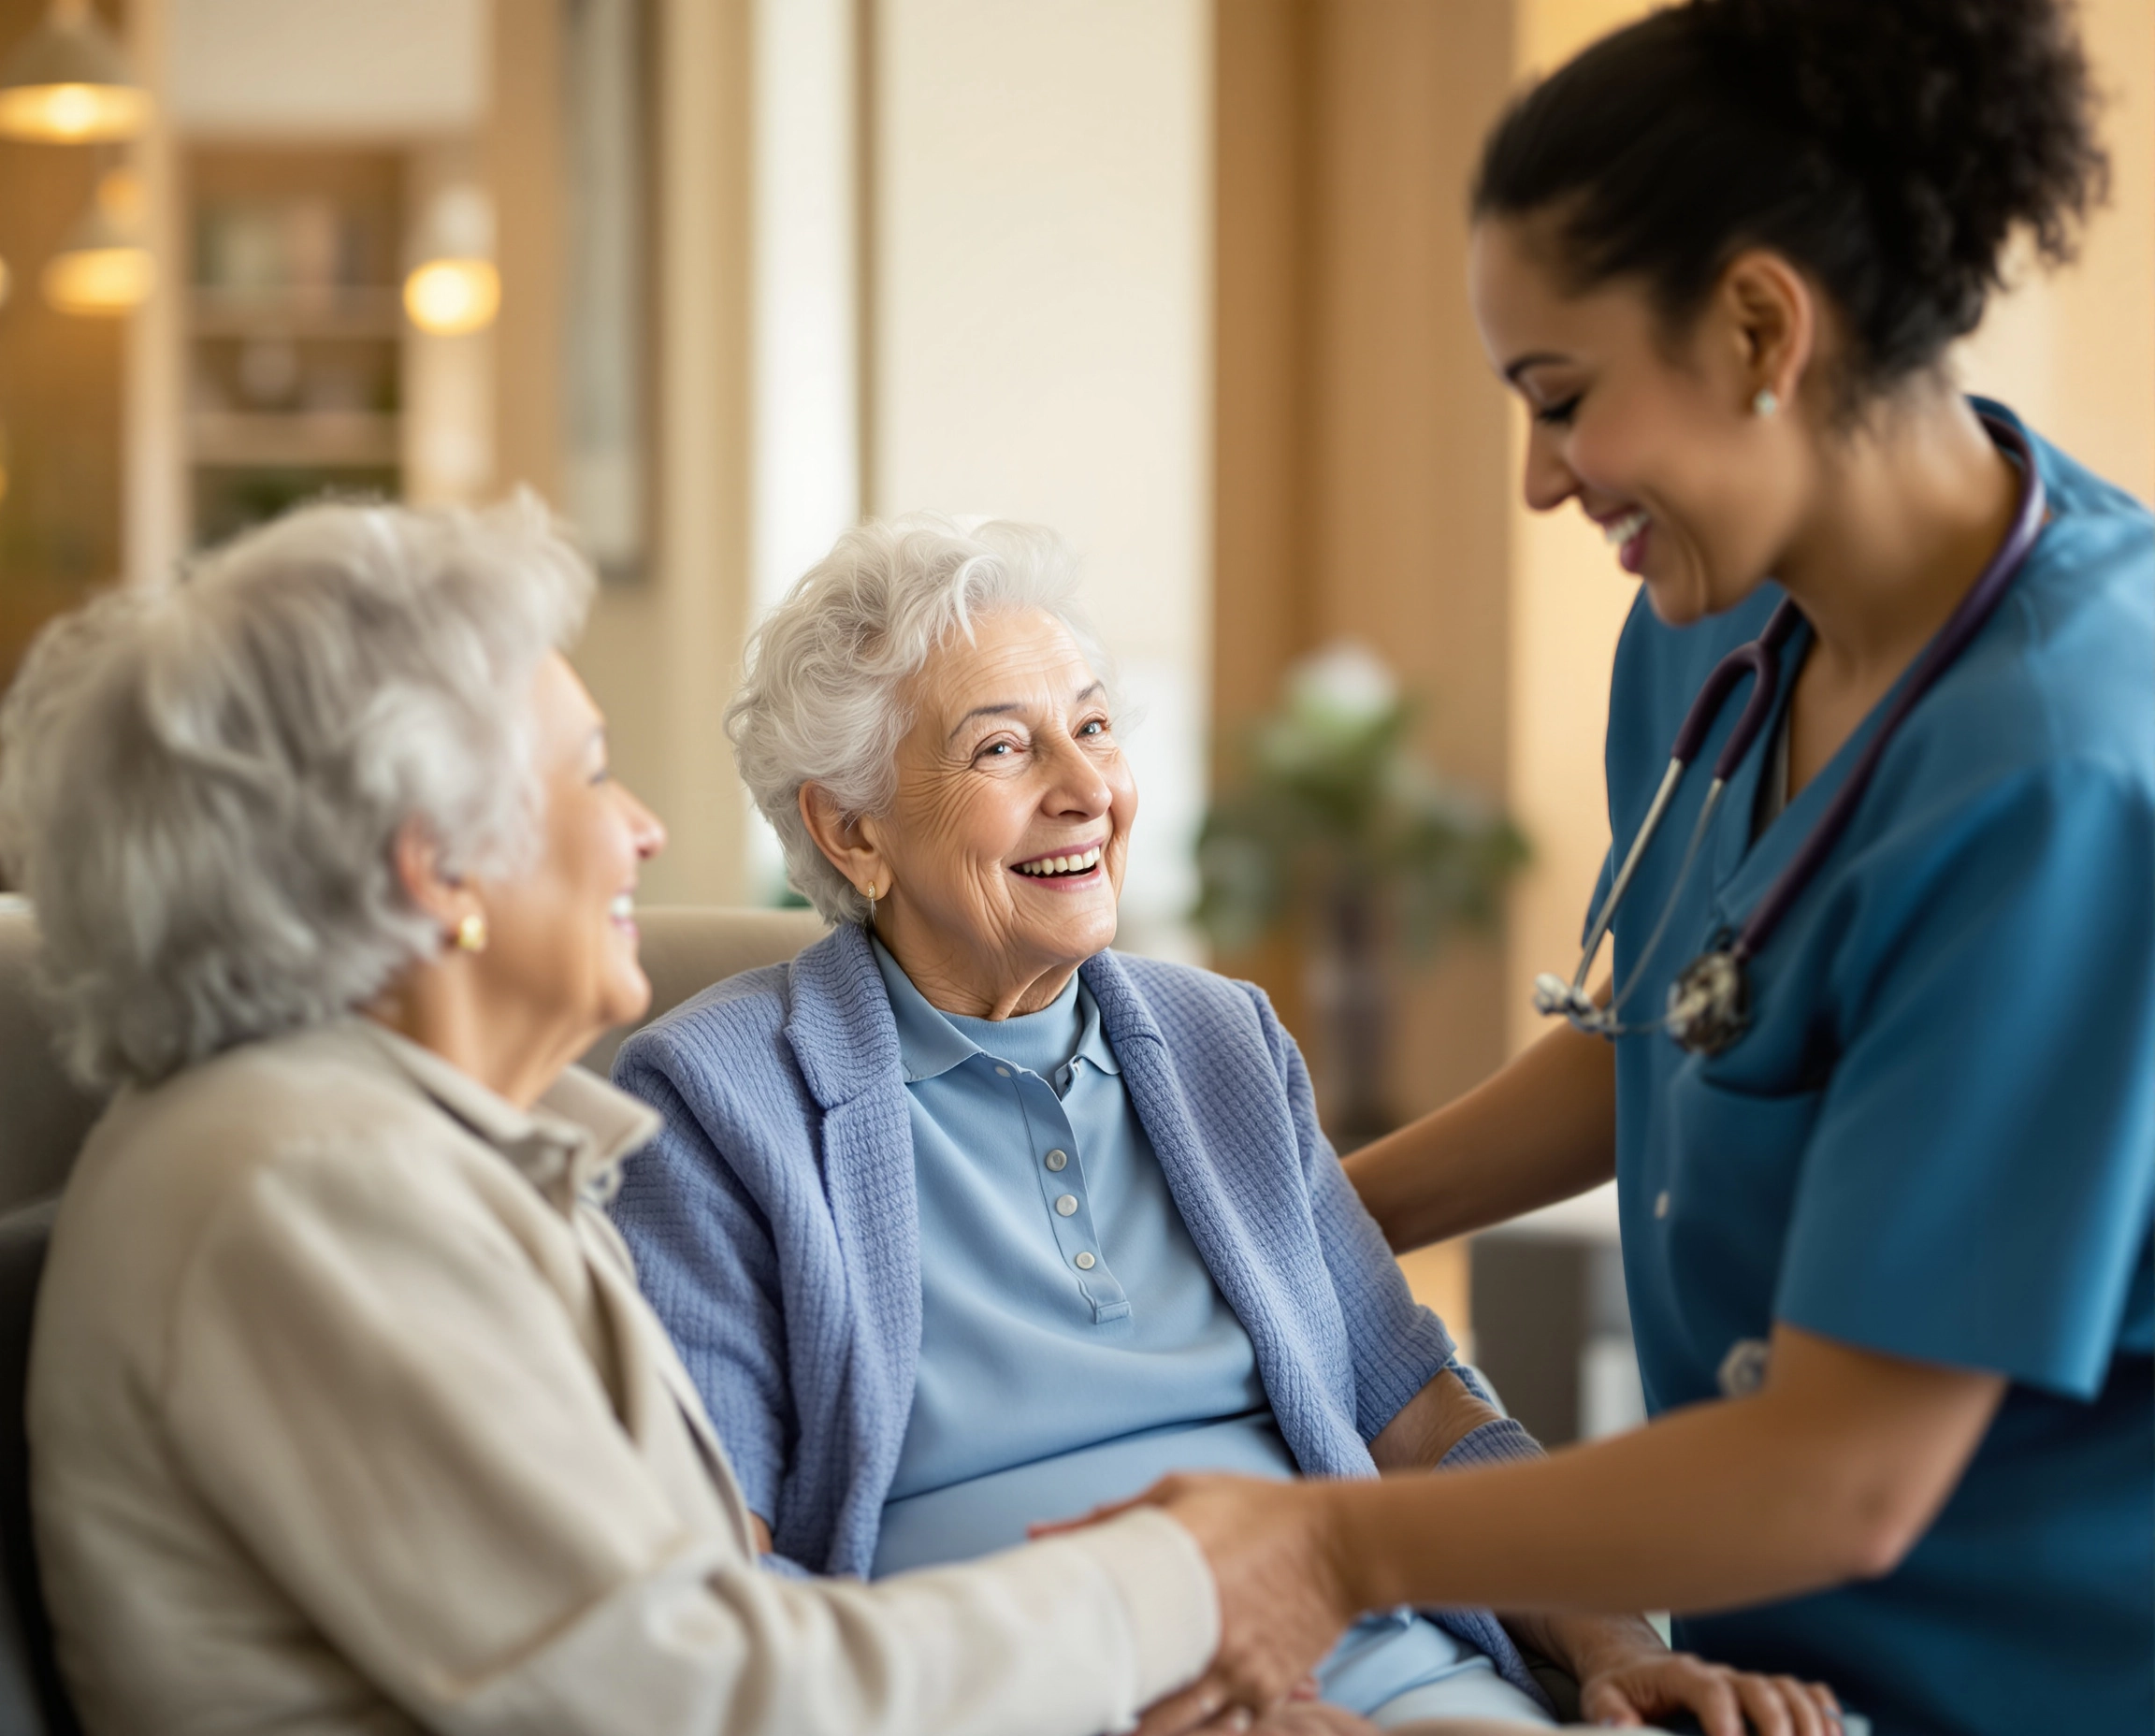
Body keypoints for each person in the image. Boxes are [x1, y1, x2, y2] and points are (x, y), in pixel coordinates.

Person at [1090, 3, 2153, 1734]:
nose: (1536, 481)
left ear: (1759, 327)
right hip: (1767, 1670)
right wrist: (1305, 1224)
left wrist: (1335, 1547)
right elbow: (1678, 1021)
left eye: (1562, 400)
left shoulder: (2067, 772)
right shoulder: (1713, 624)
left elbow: (1844, 1473)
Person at [0, 498, 1234, 1736]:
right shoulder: (312, 1190)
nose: (643, 831)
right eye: (590, 774)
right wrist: (1195, 1586)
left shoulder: (406, 1146)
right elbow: (693, 1696)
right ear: (438, 863)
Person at [609, 515, 1826, 1734]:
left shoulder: (1219, 1041)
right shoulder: (720, 1097)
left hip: (1397, 1684)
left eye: (1093, 728)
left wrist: (1614, 1643)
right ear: (851, 830)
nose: (1087, 791)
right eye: (1003, 749)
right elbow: (715, 1578)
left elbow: (1423, 1414)